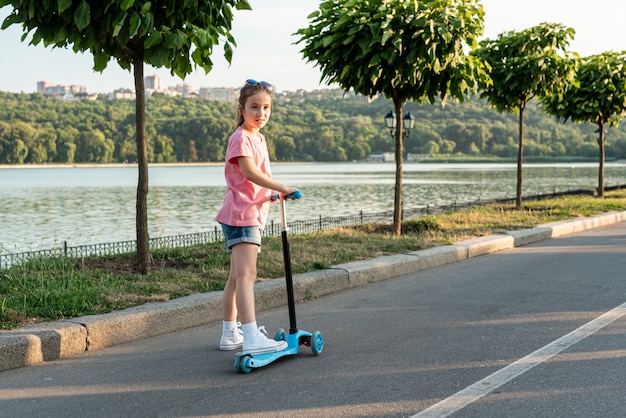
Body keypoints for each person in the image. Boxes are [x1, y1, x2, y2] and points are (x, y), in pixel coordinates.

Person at [216, 79, 298, 354]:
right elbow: (250, 173)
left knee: (236, 277)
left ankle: (230, 332)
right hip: (242, 215)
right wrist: (282, 187)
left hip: (246, 210)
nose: (260, 113)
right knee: (247, 276)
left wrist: (271, 195)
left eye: (266, 108)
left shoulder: (258, 137)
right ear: (241, 109)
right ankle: (251, 335)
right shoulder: (240, 138)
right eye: (254, 107)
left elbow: (252, 183)